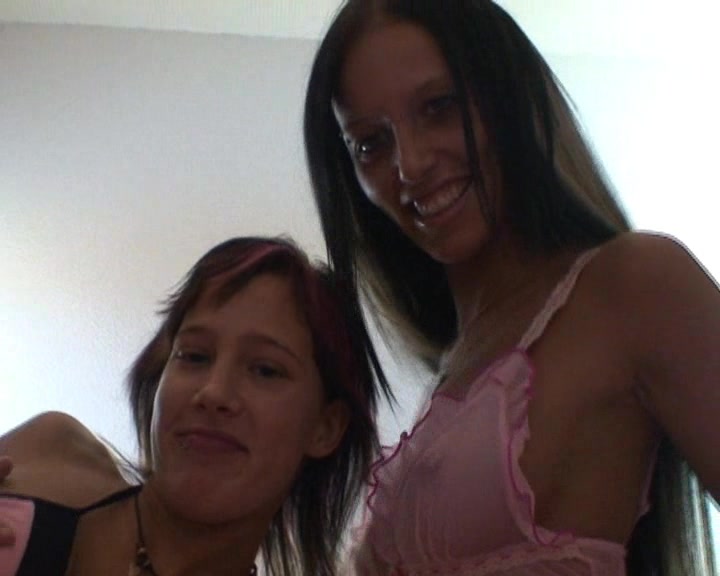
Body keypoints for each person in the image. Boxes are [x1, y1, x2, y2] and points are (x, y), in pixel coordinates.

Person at [303, 1, 720, 574]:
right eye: (371, 143)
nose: (411, 165)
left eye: (440, 107)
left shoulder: (633, 284)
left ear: (511, 95)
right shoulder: (457, 362)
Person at [0, 236, 389, 576]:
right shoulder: (46, 452)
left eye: (266, 370)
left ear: (325, 427)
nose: (214, 393)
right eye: (194, 356)